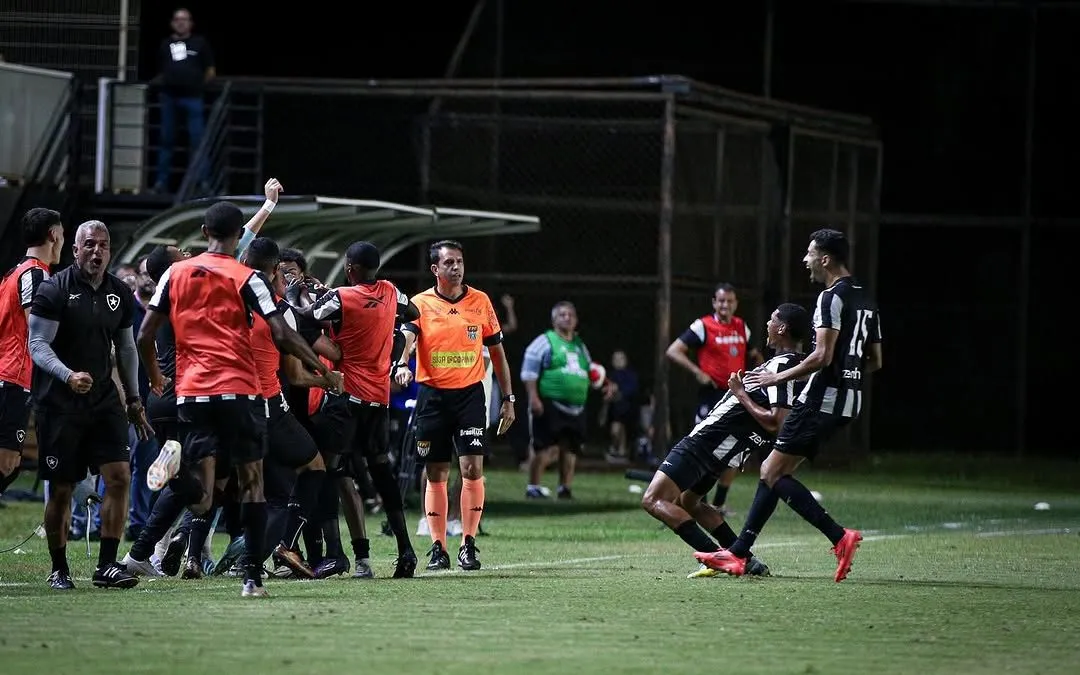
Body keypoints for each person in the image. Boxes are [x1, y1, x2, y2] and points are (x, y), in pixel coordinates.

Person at [136, 201, 340, 597]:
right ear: (237, 237)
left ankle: (179, 476)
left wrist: (155, 376)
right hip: (239, 391)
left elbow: (145, 333)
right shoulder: (248, 277)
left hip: (191, 393)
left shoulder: (174, 273)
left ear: (202, 230)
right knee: (252, 484)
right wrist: (324, 369)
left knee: (205, 496)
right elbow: (281, 334)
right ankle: (251, 579)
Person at [695, 229, 882, 583]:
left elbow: (822, 356)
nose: (805, 260)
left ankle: (839, 536)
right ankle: (737, 553)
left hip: (821, 400)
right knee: (773, 470)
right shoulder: (867, 299)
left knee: (771, 472)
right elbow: (875, 360)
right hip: (849, 402)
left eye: (810, 254)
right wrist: (848, 375)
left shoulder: (830, 298)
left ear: (825, 259)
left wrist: (776, 380)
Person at [643, 303, 812, 578]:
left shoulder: (784, 366)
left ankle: (718, 558)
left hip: (707, 442)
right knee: (690, 502)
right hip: (720, 449)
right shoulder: (786, 365)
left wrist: (739, 393)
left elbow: (777, 422)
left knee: (653, 500)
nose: (767, 324)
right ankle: (745, 558)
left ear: (782, 328)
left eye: (771, 319)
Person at [28, 220, 152, 590]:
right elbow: (37, 345)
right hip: (60, 403)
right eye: (90, 245)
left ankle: (107, 566)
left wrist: (133, 397)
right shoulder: (54, 290)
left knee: (119, 477)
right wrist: (66, 375)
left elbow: (127, 347)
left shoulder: (118, 293)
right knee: (63, 487)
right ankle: (59, 567)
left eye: (104, 245)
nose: (97, 252)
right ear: (75, 249)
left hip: (103, 400)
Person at [298, 241, 421, 578]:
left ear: (350, 268)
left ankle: (341, 555)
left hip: (346, 399)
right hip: (378, 401)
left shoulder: (342, 296)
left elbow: (305, 321)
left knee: (330, 470)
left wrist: (331, 347)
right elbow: (413, 314)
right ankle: (406, 551)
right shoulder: (391, 291)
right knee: (381, 471)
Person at [398, 240, 515, 571]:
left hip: (469, 396)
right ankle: (438, 547)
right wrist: (403, 362)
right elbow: (407, 336)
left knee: (472, 469)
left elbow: (498, 354)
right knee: (436, 472)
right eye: (449, 262)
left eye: (460, 261)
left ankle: (468, 543)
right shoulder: (420, 303)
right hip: (432, 397)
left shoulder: (480, 301)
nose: (456, 267)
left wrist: (508, 399)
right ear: (435, 269)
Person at [666, 283, 763, 512]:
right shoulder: (703, 326)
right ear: (713, 302)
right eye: (720, 301)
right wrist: (697, 372)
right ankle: (697, 499)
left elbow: (755, 355)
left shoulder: (741, 327)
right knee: (703, 446)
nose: (725, 305)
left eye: (729, 301)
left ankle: (719, 502)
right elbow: (673, 350)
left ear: (736, 304)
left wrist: (759, 377)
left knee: (734, 448)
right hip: (711, 396)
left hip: (735, 395)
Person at [0, 208, 65, 498]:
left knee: (10, 465)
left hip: (10, 376)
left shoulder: (13, 273)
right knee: (7, 464)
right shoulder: (35, 274)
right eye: (63, 235)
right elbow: (36, 328)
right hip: (11, 377)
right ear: (53, 235)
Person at [521, 301, 612, 499]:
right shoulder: (545, 341)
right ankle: (533, 486)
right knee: (545, 446)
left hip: (576, 406)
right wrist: (534, 398)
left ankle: (565, 487)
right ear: (554, 320)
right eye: (562, 315)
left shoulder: (579, 346)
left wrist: (606, 383)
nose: (567, 318)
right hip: (550, 402)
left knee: (571, 447)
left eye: (571, 315)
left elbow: (589, 369)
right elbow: (529, 371)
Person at [152, 8, 215, 193]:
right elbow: (161, 70)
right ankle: (161, 183)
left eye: (184, 19)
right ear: (172, 23)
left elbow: (210, 70)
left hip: (193, 97)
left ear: (191, 23)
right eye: (177, 19)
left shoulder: (200, 43)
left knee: (198, 140)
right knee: (166, 140)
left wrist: (197, 85)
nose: (181, 23)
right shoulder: (165, 44)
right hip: (169, 97)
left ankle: (203, 182)